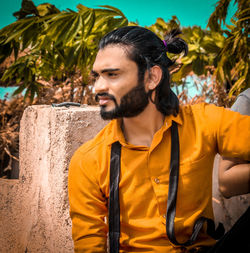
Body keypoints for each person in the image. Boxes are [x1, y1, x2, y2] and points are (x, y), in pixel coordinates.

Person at [68, 26, 250, 253]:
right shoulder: (88, 160)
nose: (99, 87)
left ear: (152, 77)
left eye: (112, 74)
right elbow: (89, 244)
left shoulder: (205, 122)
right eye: (97, 76)